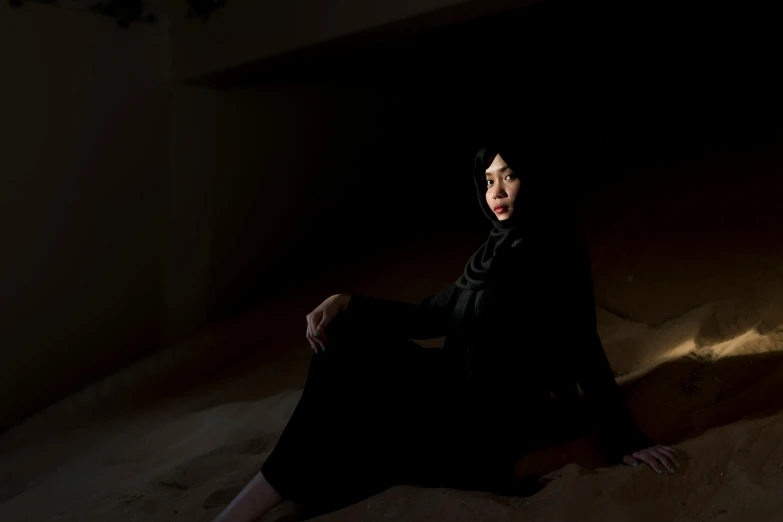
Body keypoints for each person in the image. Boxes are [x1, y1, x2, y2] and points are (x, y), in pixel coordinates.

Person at [211, 145, 680, 522]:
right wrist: (347, 301)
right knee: (344, 340)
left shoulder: (555, 250)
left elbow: (583, 344)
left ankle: (246, 509)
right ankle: (260, 499)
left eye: (509, 176)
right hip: (457, 387)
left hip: (496, 413)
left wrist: (628, 440)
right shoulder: (489, 255)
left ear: (532, 179)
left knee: (352, 402)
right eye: (489, 180)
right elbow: (431, 316)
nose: (496, 191)